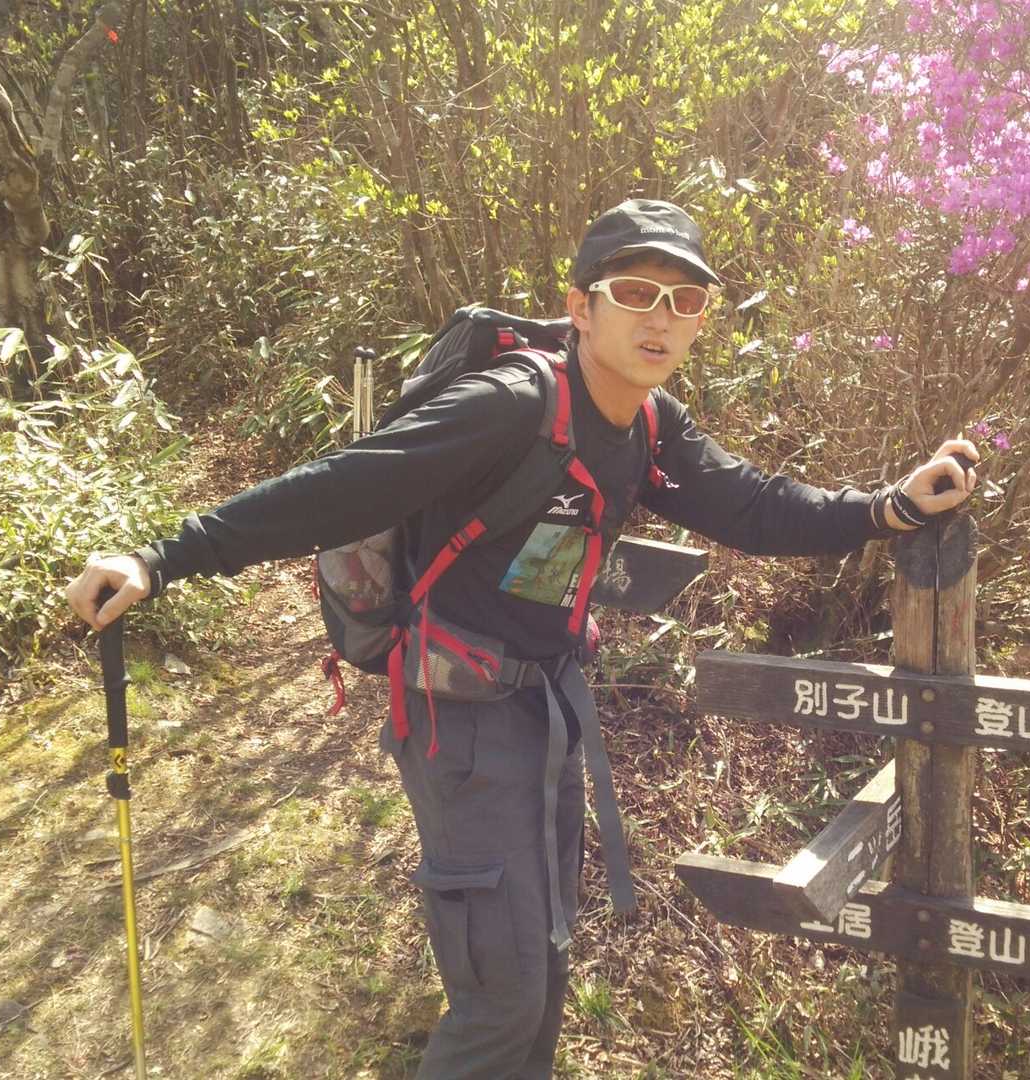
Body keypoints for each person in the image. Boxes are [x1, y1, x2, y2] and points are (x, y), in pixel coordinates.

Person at [65, 198, 979, 1078]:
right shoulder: (508, 405)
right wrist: (162, 558)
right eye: (636, 292)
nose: (661, 317)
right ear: (581, 307)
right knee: (500, 1002)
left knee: (545, 963)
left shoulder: (649, 423)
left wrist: (887, 509)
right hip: (457, 723)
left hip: (548, 712)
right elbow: (340, 487)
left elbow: (753, 505)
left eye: (686, 299)